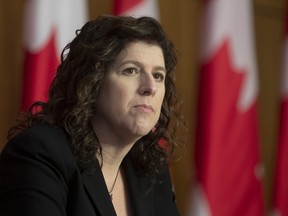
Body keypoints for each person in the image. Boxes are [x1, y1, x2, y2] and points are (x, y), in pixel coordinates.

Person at [0, 15, 184, 216]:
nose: (150, 88)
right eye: (131, 70)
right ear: (92, 83)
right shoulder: (40, 154)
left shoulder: (151, 172)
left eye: (158, 76)